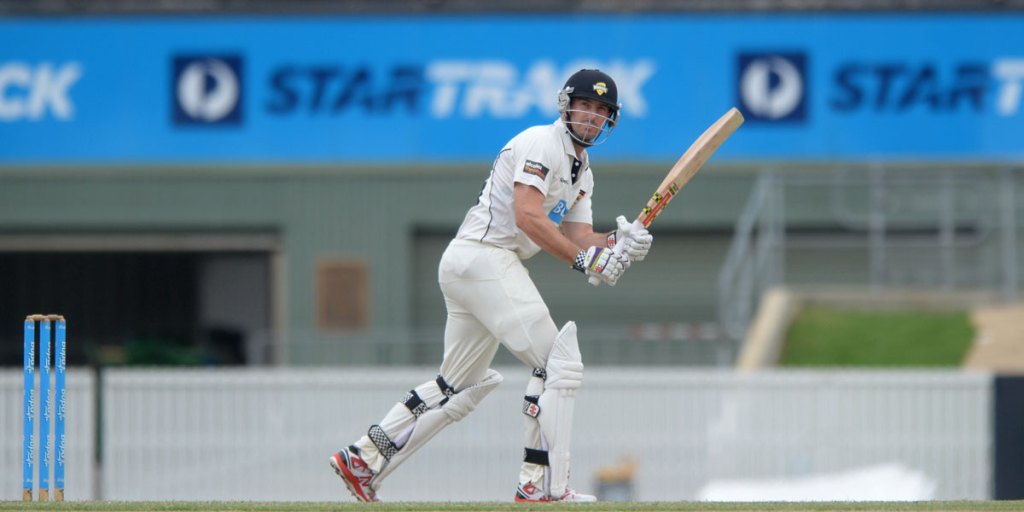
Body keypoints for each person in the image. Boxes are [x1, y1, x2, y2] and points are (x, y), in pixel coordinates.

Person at [329, 68, 653, 503]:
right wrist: (584, 261)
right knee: (557, 363)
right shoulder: (542, 142)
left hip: (472, 264)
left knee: (455, 387)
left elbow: (580, 236)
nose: (593, 117)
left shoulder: (582, 170)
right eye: (586, 106)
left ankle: (362, 458)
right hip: (483, 257)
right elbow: (528, 216)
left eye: (601, 111)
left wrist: (619, 241)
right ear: (567, 106)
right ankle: (541, 486)